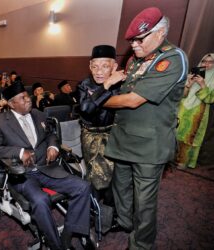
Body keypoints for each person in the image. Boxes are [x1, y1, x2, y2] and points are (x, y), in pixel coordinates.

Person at [102, 7, 188, 250]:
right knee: (121, 188)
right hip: (123, 139)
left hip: (149, 145)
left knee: (145, 199)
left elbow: (133, 99)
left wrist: (96, 99)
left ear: (160, 34)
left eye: (140, 39)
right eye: (131, 40)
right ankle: (125, 221)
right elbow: (122, 91)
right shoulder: (135, 61)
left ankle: (141, 243)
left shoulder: (171, 58)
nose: (134, 45)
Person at [0, 80, 91, 250]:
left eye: (27, 96)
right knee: (41, 200)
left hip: (47, 168)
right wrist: (20, 152)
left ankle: (69, 234)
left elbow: (51, 135)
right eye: (23, 98)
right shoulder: (1, 122)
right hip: (23, 175)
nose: (28, 100)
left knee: (83, 186)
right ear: (12, 104)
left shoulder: (38, 114)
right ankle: (55, 245)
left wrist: (52, 146)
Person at [78, 45, 124, 202]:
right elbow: (86, 108)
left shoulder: (121, 84)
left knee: (116, 175)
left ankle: (110, 211)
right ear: (90, 66)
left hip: (114, 133)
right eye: (95, 66)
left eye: (105, 66)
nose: (99, 71)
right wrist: (107, 84)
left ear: (114, 67)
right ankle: (94, 212)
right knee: (96, 176)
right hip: (92, 135)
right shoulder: (85, 85)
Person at [176, 53, 214, 168]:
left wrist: (203, 85)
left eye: (210, 62)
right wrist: (188, 84)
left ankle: (184, 160)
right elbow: (181, 95)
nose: (206, 64)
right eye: (204, 61)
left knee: (189, 136)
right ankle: (171, 156)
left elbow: (210, 99)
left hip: (198, 112)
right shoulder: (192, 75)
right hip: (182, 108)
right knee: (176, 133)